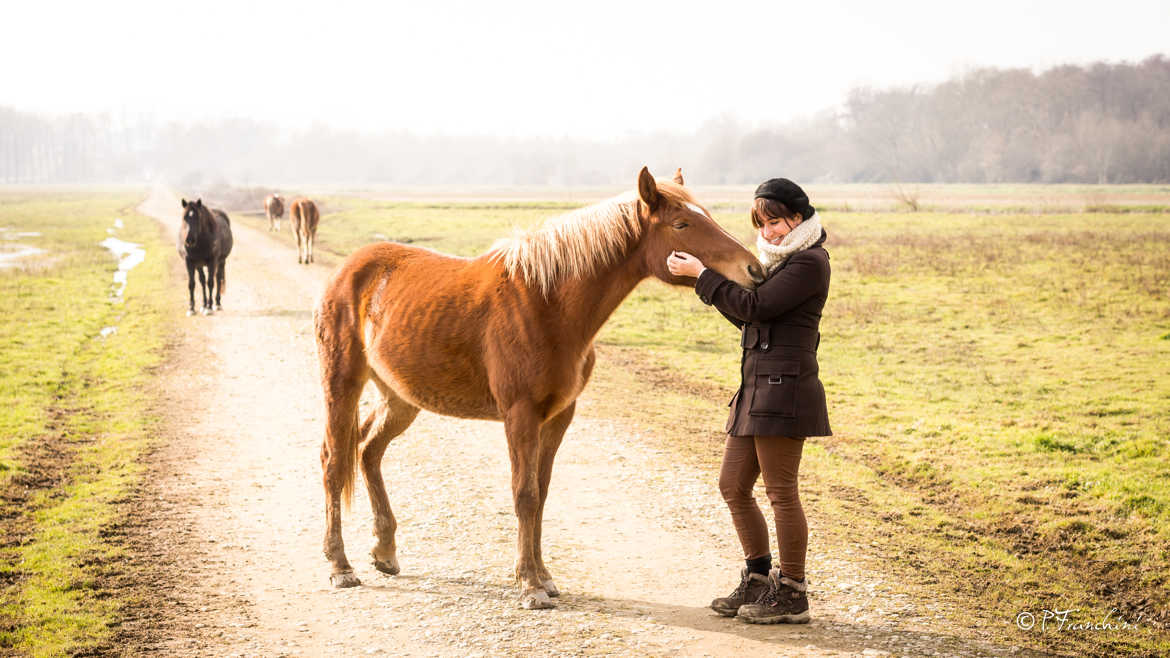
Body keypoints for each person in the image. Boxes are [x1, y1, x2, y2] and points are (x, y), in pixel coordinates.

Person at [666, 177, 831, 624]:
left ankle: (793, 591)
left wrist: (703, 277)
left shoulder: (809, 263)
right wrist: (710, 281)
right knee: (732, 486)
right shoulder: (776, 262)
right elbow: (746, 316)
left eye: (776, 222)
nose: (769, 232)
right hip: (757, 389)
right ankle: (758, 580)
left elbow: (756, 308)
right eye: (761, 223)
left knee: (781, 494)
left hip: (785, 391)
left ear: (798, 218)